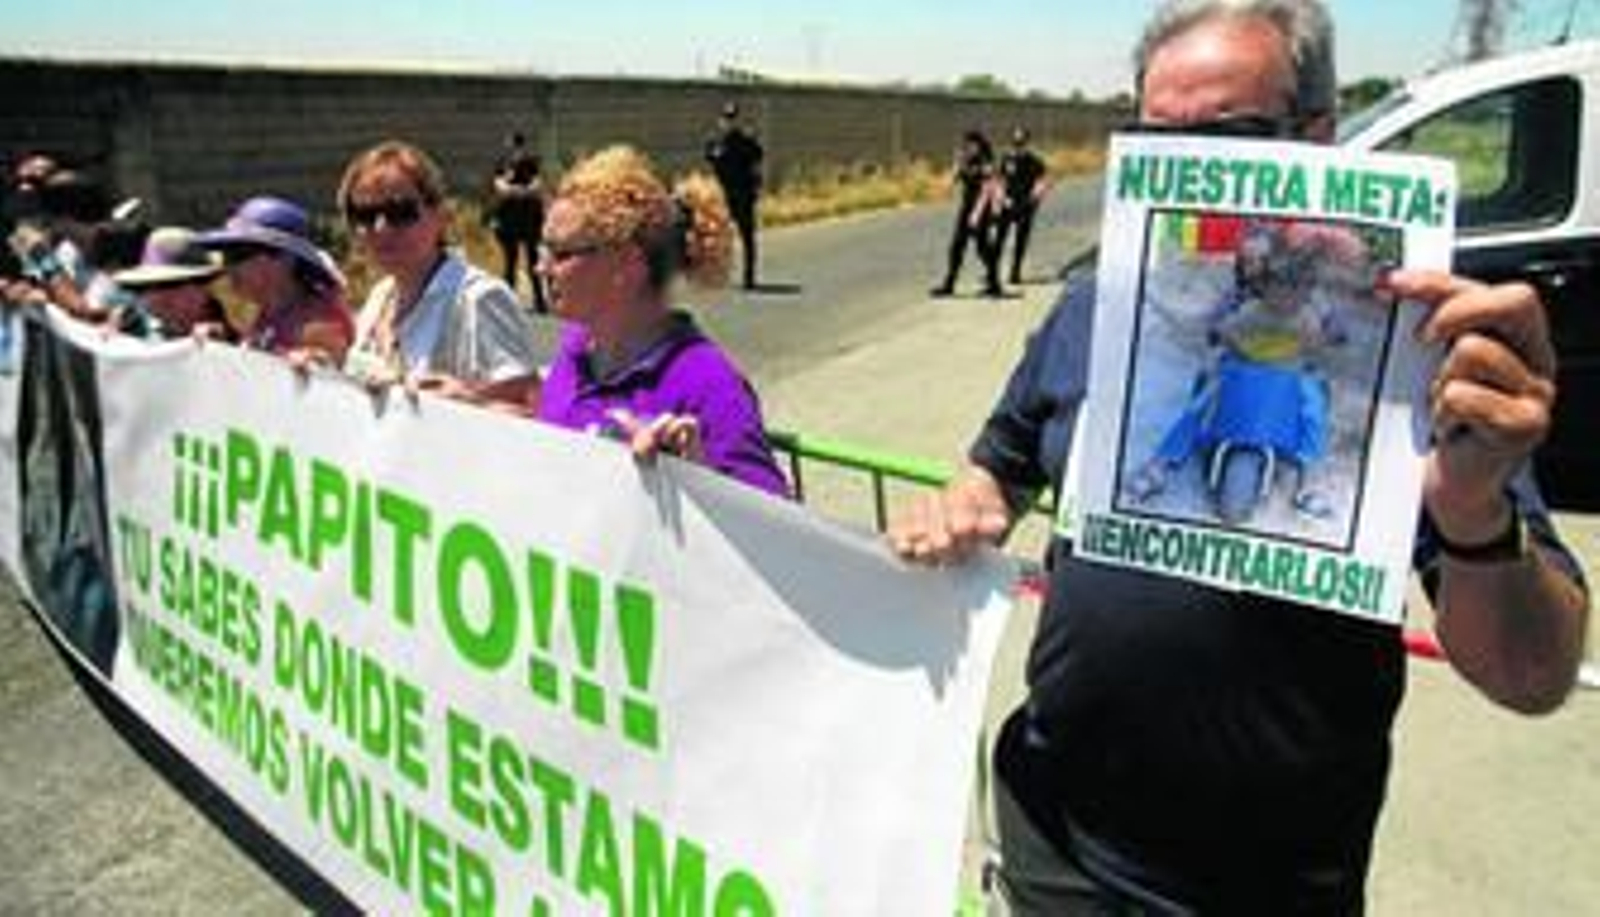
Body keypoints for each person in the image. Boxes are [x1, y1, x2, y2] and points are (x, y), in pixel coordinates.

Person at [888, 1, 1590, 913]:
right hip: (1053, 840)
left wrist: (1472, 514)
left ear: (1320, 137)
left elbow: (1532, 676)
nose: (1192, 172)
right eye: (1157, 140)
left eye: (1229, 138)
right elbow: (1000, 460)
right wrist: (966, 502)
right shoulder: (1094, 305)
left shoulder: (1413, 343)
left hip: (1264, 884)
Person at [535, 144, 788, 497]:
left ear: (627, 265)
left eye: (561, 254)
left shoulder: (709, 384)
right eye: (543, 249)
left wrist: (696, 477)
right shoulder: (576, 349)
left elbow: (773, 521)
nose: (540, 268)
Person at [337, 140, 543, 405]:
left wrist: (473, 401)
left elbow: (532, 405)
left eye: (400, 212)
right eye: (364, 215)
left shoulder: (478, 298)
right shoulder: (379, 296)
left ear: (439, 215)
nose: (381, 228)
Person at [197, 195, 353, 364]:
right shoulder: (271, 313)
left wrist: (315, 360)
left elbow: (328, 368)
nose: (229, 268)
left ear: (284, 259)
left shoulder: (319, 318)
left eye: (238, 254)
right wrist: (225, 344)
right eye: (226, 256)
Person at [110, 225, 236, 341]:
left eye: (169, 285)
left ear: (204, 288)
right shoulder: (135, 324)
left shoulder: (237, 322)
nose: (155, 299)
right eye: (146, 286)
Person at [930, 129, 1003, 299]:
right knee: (957, 246)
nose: (968, 147)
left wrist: (983, 213)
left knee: (982, 248)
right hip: (967, 207)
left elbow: (990, 187)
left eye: (971, 144)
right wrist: (955, 168)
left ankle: (994, 283)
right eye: (966, 144)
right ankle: (949, 284)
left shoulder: (987, 162)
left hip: (982, 208)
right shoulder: (964, 161)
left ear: (979, 145)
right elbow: (950, 182)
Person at [703, 102, 764, 290]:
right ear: (720, 120)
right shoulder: (715, 142)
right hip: (722, 197)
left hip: (744, 196)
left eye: (733, 118)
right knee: (718, 237)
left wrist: (756, 187)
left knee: (747, 237)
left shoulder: (746, 140)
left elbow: (758, 160)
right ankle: (717, 275)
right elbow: (709, 159)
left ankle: (749, 277)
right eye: (727, 118)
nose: (730, 121)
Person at [487, 131, 548, 312]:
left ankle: (539, 301)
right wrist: (521, 191)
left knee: (531, 260)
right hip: (511, 217)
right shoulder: (503, 163)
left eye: (516, 145)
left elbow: (537, 184)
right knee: (512, 261)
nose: (515, 149)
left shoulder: (530, 162)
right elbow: (500, 186)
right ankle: (511, 302)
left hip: (527, 217)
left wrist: (517, 191)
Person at [993, 127, 1049, 286]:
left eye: (1021, 143)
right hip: (1007, 202)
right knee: (999, 238)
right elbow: (999, 180)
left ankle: (1015, 271)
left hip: (1025, 204)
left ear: (1027, 143)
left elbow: (1043, 181)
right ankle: (993, 271)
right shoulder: (1006, 159)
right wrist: (1000, 199)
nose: (1017, 146)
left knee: (1021, 239)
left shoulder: (1035, 161)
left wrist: (1034, 198)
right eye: (1015, 143)